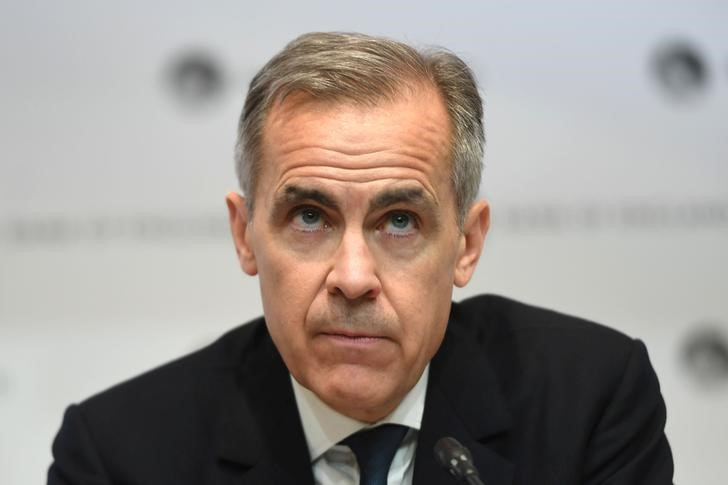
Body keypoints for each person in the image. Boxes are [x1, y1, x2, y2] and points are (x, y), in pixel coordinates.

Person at [48, 32, 673, 485]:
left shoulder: (590, 401)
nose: (352, 278)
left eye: (399, 221)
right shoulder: (119, 457)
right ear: (245, 236)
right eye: (310, 217)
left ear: (466, 244)